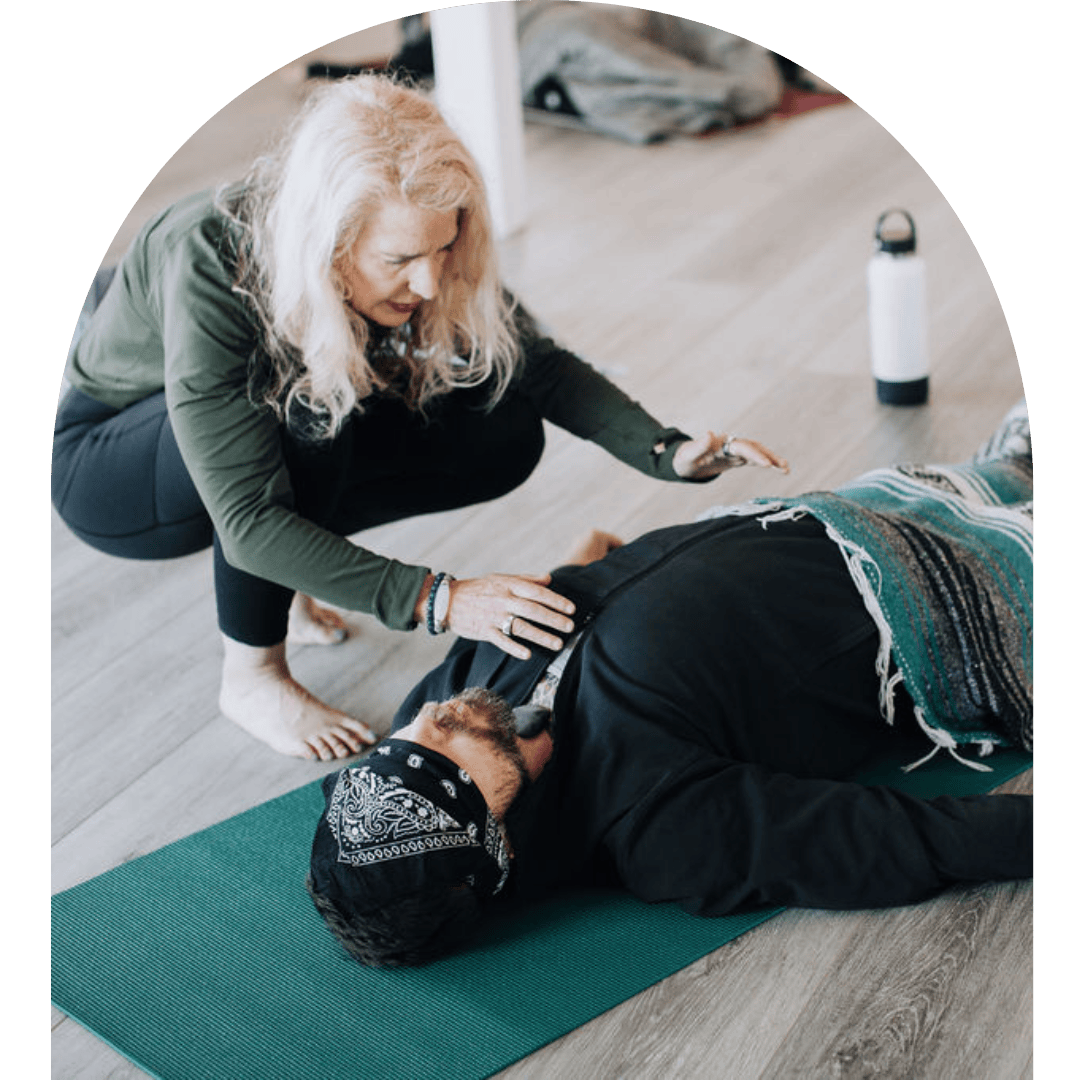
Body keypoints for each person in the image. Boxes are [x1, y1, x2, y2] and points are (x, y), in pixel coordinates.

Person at [50, 74, 787, 762]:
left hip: (252, 419)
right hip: (107, 460)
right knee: (303, 412)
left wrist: (671, 451)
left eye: (443, 246)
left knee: (501, 425)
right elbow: (244, 516)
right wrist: (442, 600)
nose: (430, 280)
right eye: (401, 258)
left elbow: (536, 363)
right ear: (328, 241)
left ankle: (293, 567)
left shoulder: (425, 254)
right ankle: (251, 673)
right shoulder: (210, 258)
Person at [307, 402, 1033, 968]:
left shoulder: (452, 707)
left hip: (844, 510)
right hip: (958, 597)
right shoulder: (658, 829)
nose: (426, 717)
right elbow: (903, 842)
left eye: (394, 745)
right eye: (433, 759)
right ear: (492, 844)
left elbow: (522, 623)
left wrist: (580, 567)